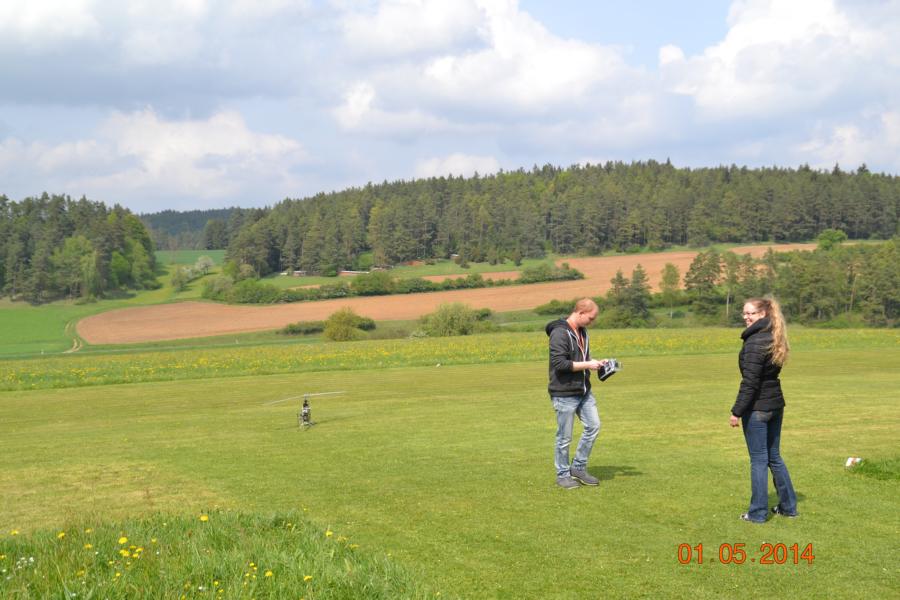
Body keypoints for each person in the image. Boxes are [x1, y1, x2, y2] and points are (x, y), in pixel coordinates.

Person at [730, 295, 798, 522]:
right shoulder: (773, 336)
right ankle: (788, 507)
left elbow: (750, 382)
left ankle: (758, 513)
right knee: (774, 457)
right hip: (775, 405)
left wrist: (736, 411)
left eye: (751, 313)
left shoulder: (755, 341)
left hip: (758, 408)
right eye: (744, 313)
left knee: (759, 460)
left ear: (763, 314)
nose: (746, 317)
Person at [545, 298, 607, 489]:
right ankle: (563, 475)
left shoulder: (582, 331)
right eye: (591, 318)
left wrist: (597, 363)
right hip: (564, 393)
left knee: (593, 426)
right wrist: (588, 364)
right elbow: (560, 364)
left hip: (584, 390)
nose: (592, 322)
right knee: (564, 437)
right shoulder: (559, 333)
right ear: (580, 313)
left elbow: (581, 358)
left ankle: (578, 467)